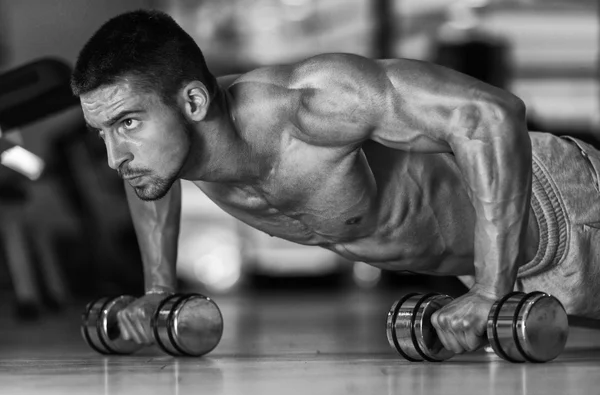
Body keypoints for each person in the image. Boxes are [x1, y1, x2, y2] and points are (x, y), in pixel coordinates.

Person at [71, 10, 600, 355]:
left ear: (192, 102)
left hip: (561, 210)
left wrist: (491, 287)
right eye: (104, 133)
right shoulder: (164, 158)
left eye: (128, 123)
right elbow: (146, 181)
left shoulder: (313, 103)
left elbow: (491, 114)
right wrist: (159, 290)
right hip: (504, 272)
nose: (116, 157)